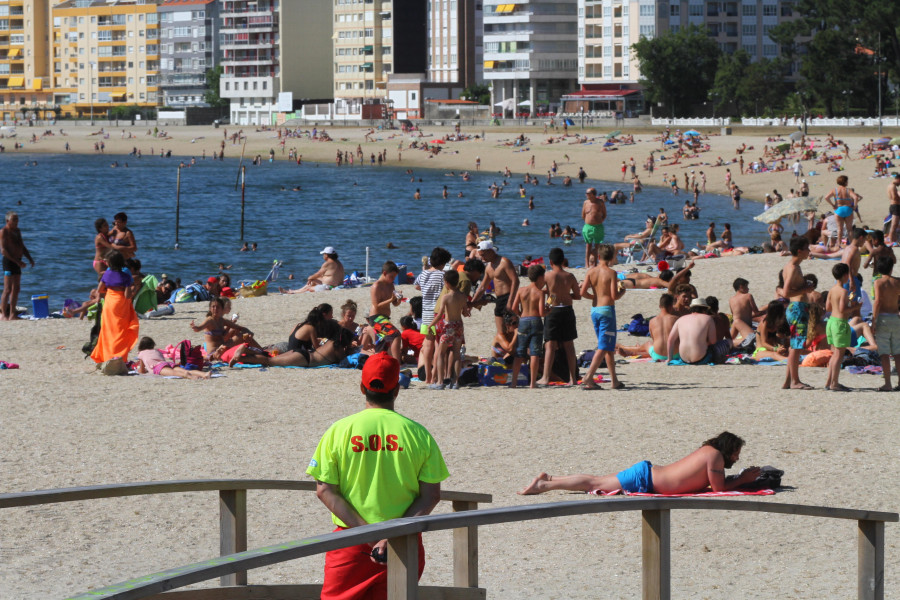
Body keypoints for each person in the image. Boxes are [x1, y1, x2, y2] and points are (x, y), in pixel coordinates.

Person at [307, 352, 449, 600]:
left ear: (362, 388)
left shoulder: (339, 430)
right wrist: (389, 536)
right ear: (396, 390)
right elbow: (431, 495)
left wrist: (370, 535)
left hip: (351, 541)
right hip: (403, 541)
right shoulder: (418, 434)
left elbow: (324, 490)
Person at [519, 431, 760, 495]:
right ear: (728, 449)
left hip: (647, 476)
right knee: (593, 483)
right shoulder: (715, 455)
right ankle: (545, 485)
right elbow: (718, 489)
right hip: (646, 479)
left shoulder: (710, 452)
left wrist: (740, 479)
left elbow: (714, 482)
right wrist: (743, 479)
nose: (737, 457)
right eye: (736, 452)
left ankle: (549, 479)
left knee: (596, 480)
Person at [579, 244, 625, 390]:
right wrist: (622, 291)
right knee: (604, 346)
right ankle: (588, 376)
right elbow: (613, 296)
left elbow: (582, 292)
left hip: (595, 310)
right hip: (607, 310)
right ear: (611, 258)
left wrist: (595, 296)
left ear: (598, 257)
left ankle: (614, 381)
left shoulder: (591, 272)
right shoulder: (611, 273)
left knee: (608, 346)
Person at [537, 248, 580, 386]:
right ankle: (573, 378)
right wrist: (566, 295)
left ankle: (545, 376)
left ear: (550, 261)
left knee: (550, 344)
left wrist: (548, 292)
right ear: (563, 261)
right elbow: (578, 296)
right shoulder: (570, 276)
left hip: (553, 310)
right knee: (569, 345)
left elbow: (538, 290)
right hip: (567, 310)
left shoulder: (548, 276)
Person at [90, 250, 139, 363]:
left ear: (110, 263)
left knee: (108, 330)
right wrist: (134, 288)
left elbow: (100, 289)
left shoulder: (106, 274)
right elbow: (127, 295)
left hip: (109, 303)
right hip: (121, 304)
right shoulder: (125, 275)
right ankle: (119, 356)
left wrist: (109, 290)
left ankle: (107, 356)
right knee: (120, 331)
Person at [781, 237, 815, 390]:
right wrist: (805, 290)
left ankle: (789, 380)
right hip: (798, 308)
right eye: (807, 248)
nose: (809, 250)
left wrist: (804, 286)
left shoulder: (791, 266)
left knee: (794, 345)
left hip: (797, 308)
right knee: (796, 346)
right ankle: (795, 381)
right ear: (800, 250)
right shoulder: (793, 267)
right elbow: (786, 292)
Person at [415, 247, 451, 385]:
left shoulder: (423, 274)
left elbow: (416, 286)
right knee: (438, 345)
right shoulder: (443, 275)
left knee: (428, 345)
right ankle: (435, 375)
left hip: (425, 313)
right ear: (443, 263)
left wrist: (426, 289)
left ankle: (428, 377)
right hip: (438, 312)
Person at [428, 270, 467, 389]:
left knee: (440, 353)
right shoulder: (463, 296)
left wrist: (431, 325)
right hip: (459, 325)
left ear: (447, 283)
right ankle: (455, 382)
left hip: (449, 325)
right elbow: (465, 312)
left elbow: (440, 315)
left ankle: (440, 382)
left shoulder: (446, 297)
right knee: (456, 354)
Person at [471, 240, 519, 336]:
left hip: (509, 296)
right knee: (501, 332)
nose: (482, 258)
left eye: (483, 255)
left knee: (511, 331)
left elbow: (516, 281)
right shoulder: (489, 267)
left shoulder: (504, 262)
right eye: (481, 256)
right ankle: (505, 350)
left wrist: (510, 302)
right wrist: (472, 303)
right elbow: (482, 287)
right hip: (499, 300)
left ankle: (513, 350)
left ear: (490, 251)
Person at [510, 265, 547, 388]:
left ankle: (514, 382)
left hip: (524, 321)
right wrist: (550, 310)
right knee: (535, 352)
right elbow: (542, 312)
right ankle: (532, 383)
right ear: (540, 277)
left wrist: (522, 315)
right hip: (536, 320)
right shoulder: (540, 293)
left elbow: (514, 308)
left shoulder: (521, 290)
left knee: (520, 352)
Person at [615, 293, 679, 361]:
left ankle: (623, 347)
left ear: (660, 306)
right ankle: (631, 352)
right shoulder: (676, 319)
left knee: (648, 344)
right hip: (675, 355)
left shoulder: (652, 321)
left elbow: (654, 339)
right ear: (671, 306)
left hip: (658, 355)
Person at [871, 255, 900, 392]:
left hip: (883, 317)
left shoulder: (878, 282)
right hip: (895, 317)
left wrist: (873, 320)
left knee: (884, 353)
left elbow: (877, 301)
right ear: (891, 268)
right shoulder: (897, 282)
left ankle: (887, 383)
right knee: (897, 353)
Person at [0, 211, 34, 320]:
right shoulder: (4, 231)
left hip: (17, 262)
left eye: (17, 219)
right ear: (7, 221)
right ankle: (3, 314)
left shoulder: (17, 231)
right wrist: (17, 262)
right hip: (9, 262)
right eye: (14, 220)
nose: (16, 222)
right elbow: (3, 250)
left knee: (16, 288)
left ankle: (12, 314)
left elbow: (22, 246)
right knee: (8, 289)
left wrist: (29, 258)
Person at [368, 261, 403, 361]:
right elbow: (376, 305)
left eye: (394, 277)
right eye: (391, 277)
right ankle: (397, 363)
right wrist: (391, 299)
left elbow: (394, 304)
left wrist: (398, 299)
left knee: (383, 347)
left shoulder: (390, 285)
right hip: (376, 318)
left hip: (385, 318)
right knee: (395, 334)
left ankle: (389, 364)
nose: (393, 279)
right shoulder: (376, 286)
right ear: (384, 273)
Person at [825, 263, 852, 392]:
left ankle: (829, 381)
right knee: (839, 354)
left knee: (834, 353)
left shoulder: (832, 289)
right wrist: (856, 306)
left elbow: (828, 308)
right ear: (845, 275)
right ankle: (834, 383)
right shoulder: (843, 291)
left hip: (831, 321)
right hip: (840, 323)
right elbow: (843, 309)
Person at [666, 298, 717, 364]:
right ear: (704, 309)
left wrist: (670, 359)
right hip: (701, 358)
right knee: (726, 343)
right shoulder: (708, 318)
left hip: (683, 359)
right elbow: (713, 341)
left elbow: (670, 340)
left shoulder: (681, 319)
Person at [135, 337, 211, 380]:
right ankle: (204, 374)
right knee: (186, 370)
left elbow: (142, 371)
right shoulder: (157, 351)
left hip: (158, 367)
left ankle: (190, 377)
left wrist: (141, 370)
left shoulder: (141, 353)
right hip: (167, 364)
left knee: (175, 373)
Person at [823, 175, 860, 243]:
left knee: (839, 229)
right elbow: (855, 197)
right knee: (849, 229)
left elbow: (826, 197)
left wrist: (833, 205)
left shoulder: (835, 190)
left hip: (839, 209)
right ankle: (852, 244)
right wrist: (854, 206)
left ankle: (839, 244)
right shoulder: (848, 190)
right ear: (845, 182)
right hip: (848, 209)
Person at [581, 187, 607, 268]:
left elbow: (604, 214)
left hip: (598, 227)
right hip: (588, 226)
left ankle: (595, 263)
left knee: (597, 246)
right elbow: (583, 215)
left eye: (588, 193)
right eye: (586, 193)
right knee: (588, 245)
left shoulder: (600, 202)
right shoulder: (585, 202)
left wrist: (599, 221)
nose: (586, 195)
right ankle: (587, 264)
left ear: (593, 194)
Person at [887, 173, 900, 244]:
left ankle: (894, 240)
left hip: (894, 206)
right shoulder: (892, 186)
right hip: (895, 206)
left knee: (895, 225)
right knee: (894, 225)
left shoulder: (891, 185)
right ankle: (891, 241)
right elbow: (894, 197)